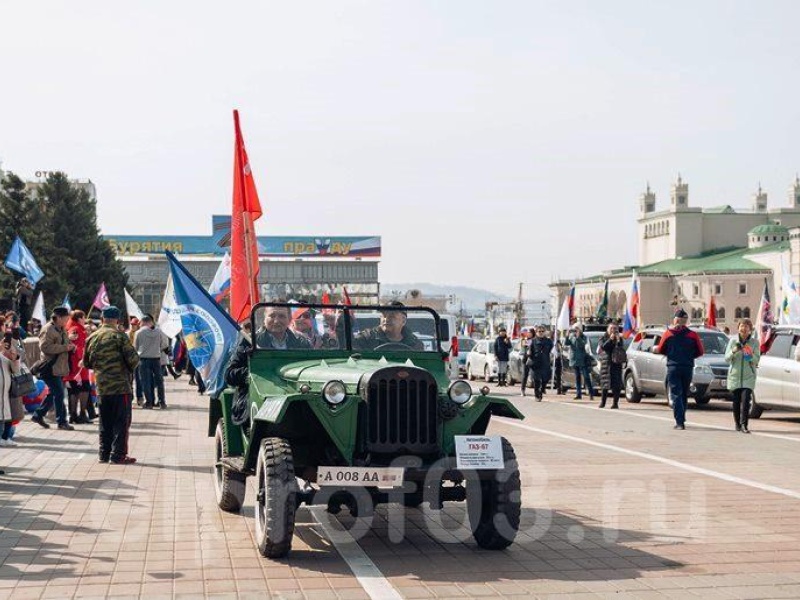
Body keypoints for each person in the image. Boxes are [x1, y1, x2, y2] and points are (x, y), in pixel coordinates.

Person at [84, 306, 140, 464]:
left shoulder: (92, 337)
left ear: (102, 319)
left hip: (102, 387)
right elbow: (134, 361)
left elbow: (87, 363)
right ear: (117, 319)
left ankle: (104, 454)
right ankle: (118, 455)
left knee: (105, 421)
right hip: (120, 387)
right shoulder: (120, 336)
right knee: (121, 422)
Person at [653, 308, 705, 430]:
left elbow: (660, 349)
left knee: (676, 394)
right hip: (687, 367)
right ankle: (682, 417)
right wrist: (689, 357)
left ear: (675, 320)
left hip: (673, 367)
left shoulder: (668, 334)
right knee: (683, 394)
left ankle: (679, 422)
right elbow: (700, 352)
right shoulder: (693, 335)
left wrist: (670, 354)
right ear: (685, 321)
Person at [31, 306, 76, 431]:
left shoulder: (61, 329)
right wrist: (65, 348)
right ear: (59, 317)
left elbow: (64, 344)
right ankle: (61, 421)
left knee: (54, 393)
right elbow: (45, 347)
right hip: (50, 367)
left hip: (59, 367)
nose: (67, 320)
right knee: (59, 393)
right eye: (66, 318)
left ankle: (38, 415)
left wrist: (71, 346)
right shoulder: (48, 329)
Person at [725, 318, 760, 433]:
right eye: (742, 326)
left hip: (748, 376)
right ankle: (737, 424)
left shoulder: (754, 342)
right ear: (738, 328)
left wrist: (749, 354)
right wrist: (734, 351)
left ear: (750, 329)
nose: (744, 329)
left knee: (745, 401)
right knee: (736, 401)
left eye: (746, 326)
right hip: (735, 376)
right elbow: (726, 359)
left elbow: (756, 359)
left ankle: (744, 424)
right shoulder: (732, 341)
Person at [353, 301, 423, 351]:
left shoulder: (415, 344)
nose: (386, 319)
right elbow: (351, 352)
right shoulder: (367, 338)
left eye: (392, 316)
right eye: (384, 315)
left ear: (403, 321)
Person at [134, 314, 169, 409]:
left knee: (146, 382)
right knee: (159, 381)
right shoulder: (159, 332)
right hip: (156, 359)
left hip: (143, 360)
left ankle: (149, 402)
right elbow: (165, 344)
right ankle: (162, 402)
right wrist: (157, 349)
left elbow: (135, 347)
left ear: (144, 322)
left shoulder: (138, 333)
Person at [65, 310, 94, 424]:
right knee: (81, 390)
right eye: (83, 317)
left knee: (76, 391)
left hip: (77, 364)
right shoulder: (76, 329)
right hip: (78, 365)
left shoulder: (74, 327)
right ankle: (79, 414)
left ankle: (75, 415)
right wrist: (82, 357)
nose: (85, 320)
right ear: (79, 318)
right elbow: (76, 346)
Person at [0, 329, 22, 447]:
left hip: (6, 391)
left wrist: (14, 358)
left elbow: (16, 370)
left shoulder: (4, 355)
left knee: (8, 415)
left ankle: (5, 437)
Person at [597, 323, 626, 409]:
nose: (613, 330)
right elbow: (604, 347)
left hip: (616, 364)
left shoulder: (619, 338)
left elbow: (621, 349)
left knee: (616, 385)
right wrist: (610, 339)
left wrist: (618, 341)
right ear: (608, 330)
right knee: (605, 385)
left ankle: (615, 403)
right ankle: (603, 402)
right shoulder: (603, 338)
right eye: (611, 328)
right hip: (606, 363)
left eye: (615, 329)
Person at [565, 324, 596, 400]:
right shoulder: (572, 336)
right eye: (574, 329)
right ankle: (578, 394)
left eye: (577, 329)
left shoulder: (584, 337)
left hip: (582, 360)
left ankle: (591, 393)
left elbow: (582, 344)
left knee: (586, 377)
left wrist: (578, 337)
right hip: (575, 360)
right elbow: (567, 343)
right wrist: (567, 335)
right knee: (577, 377)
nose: (575, 331)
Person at [525, 325, 553, 400]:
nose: (541, 333)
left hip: (545, 362)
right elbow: (529, 350)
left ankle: (543, 388)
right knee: (536, 380)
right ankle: (537, 395)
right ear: (536, 332)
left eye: (542, 331)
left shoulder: (548, 341)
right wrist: (528, 353)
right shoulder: (533, 341)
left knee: (546, 378)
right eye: (539, 331)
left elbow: (551, 349)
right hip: (535, 363)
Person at [127, 317, 143, 405]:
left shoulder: (140, 334)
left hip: (137, 359)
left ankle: (139, 397)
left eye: (134, 325)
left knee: (138, 379)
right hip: (129, 359)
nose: (133, 326)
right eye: (132, 324)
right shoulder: (127, 334)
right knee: (129, 379)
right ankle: (130, 396)